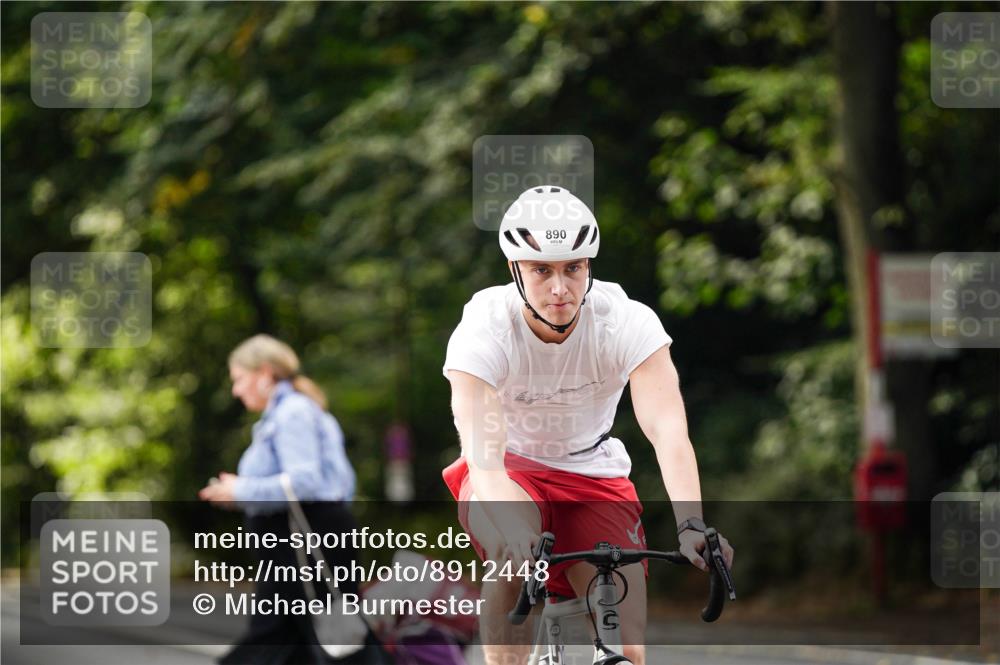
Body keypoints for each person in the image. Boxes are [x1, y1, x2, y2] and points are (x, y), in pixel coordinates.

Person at [441, 186, 735, 665]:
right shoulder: (484, 329)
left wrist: (691, 523)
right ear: (515, 269)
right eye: (542, 270)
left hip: (591, 471)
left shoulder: (626, 322)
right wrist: (514, 530)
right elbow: (485, 455)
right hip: (510, 470)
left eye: (573, 268)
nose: (560, 288)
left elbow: (667, 430)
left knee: (627, 648)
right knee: (510, 557)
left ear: (589, 266)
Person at [199, 334, 359, 664]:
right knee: (312, 645)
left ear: (265, 373)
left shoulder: (293, 412)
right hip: (300, 544)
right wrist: (242, 492)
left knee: (288, 641)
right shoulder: (292, 411)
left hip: (301, 544)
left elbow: (305, 482)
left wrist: (242, 490)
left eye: (239, 379)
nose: (236, 390)